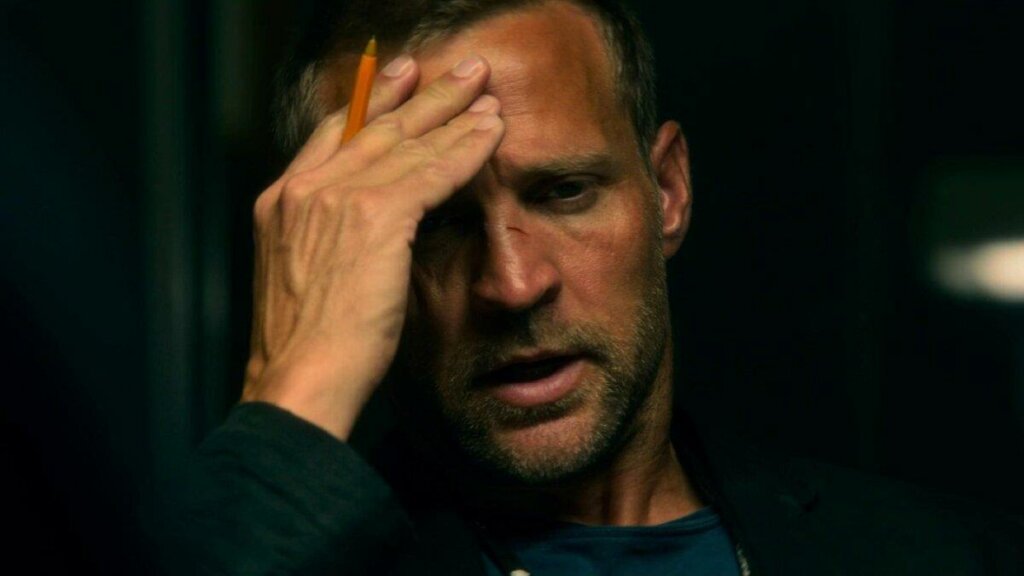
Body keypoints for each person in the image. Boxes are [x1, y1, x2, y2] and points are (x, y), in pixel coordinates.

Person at [164, 1, 1023, 574]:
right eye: (433, 223)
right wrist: (293, 389)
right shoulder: (302, 556)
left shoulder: (944, 556)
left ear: (668, 191)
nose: (513, 284)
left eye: (564, 193)